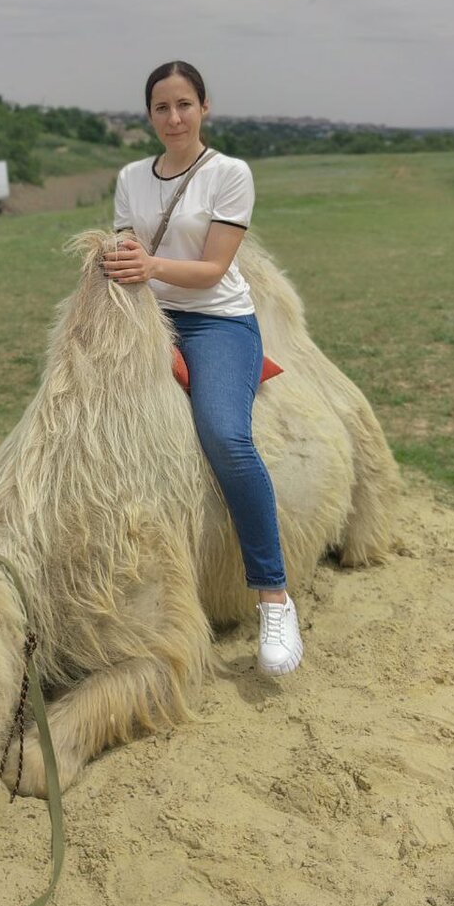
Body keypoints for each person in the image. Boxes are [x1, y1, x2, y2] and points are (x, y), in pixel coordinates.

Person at [103, 59, 303, 676]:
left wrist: (151, 269)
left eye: (184, 104)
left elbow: (213, 269)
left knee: (224, 434)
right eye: (161, 107)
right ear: (149, 116)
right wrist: (131, 295)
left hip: (216, 321)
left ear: (204, 107)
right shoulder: (130, 177)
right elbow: (121, 254)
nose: (173, 117)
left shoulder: (229, 174)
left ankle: (273, 595)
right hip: (148, 322)